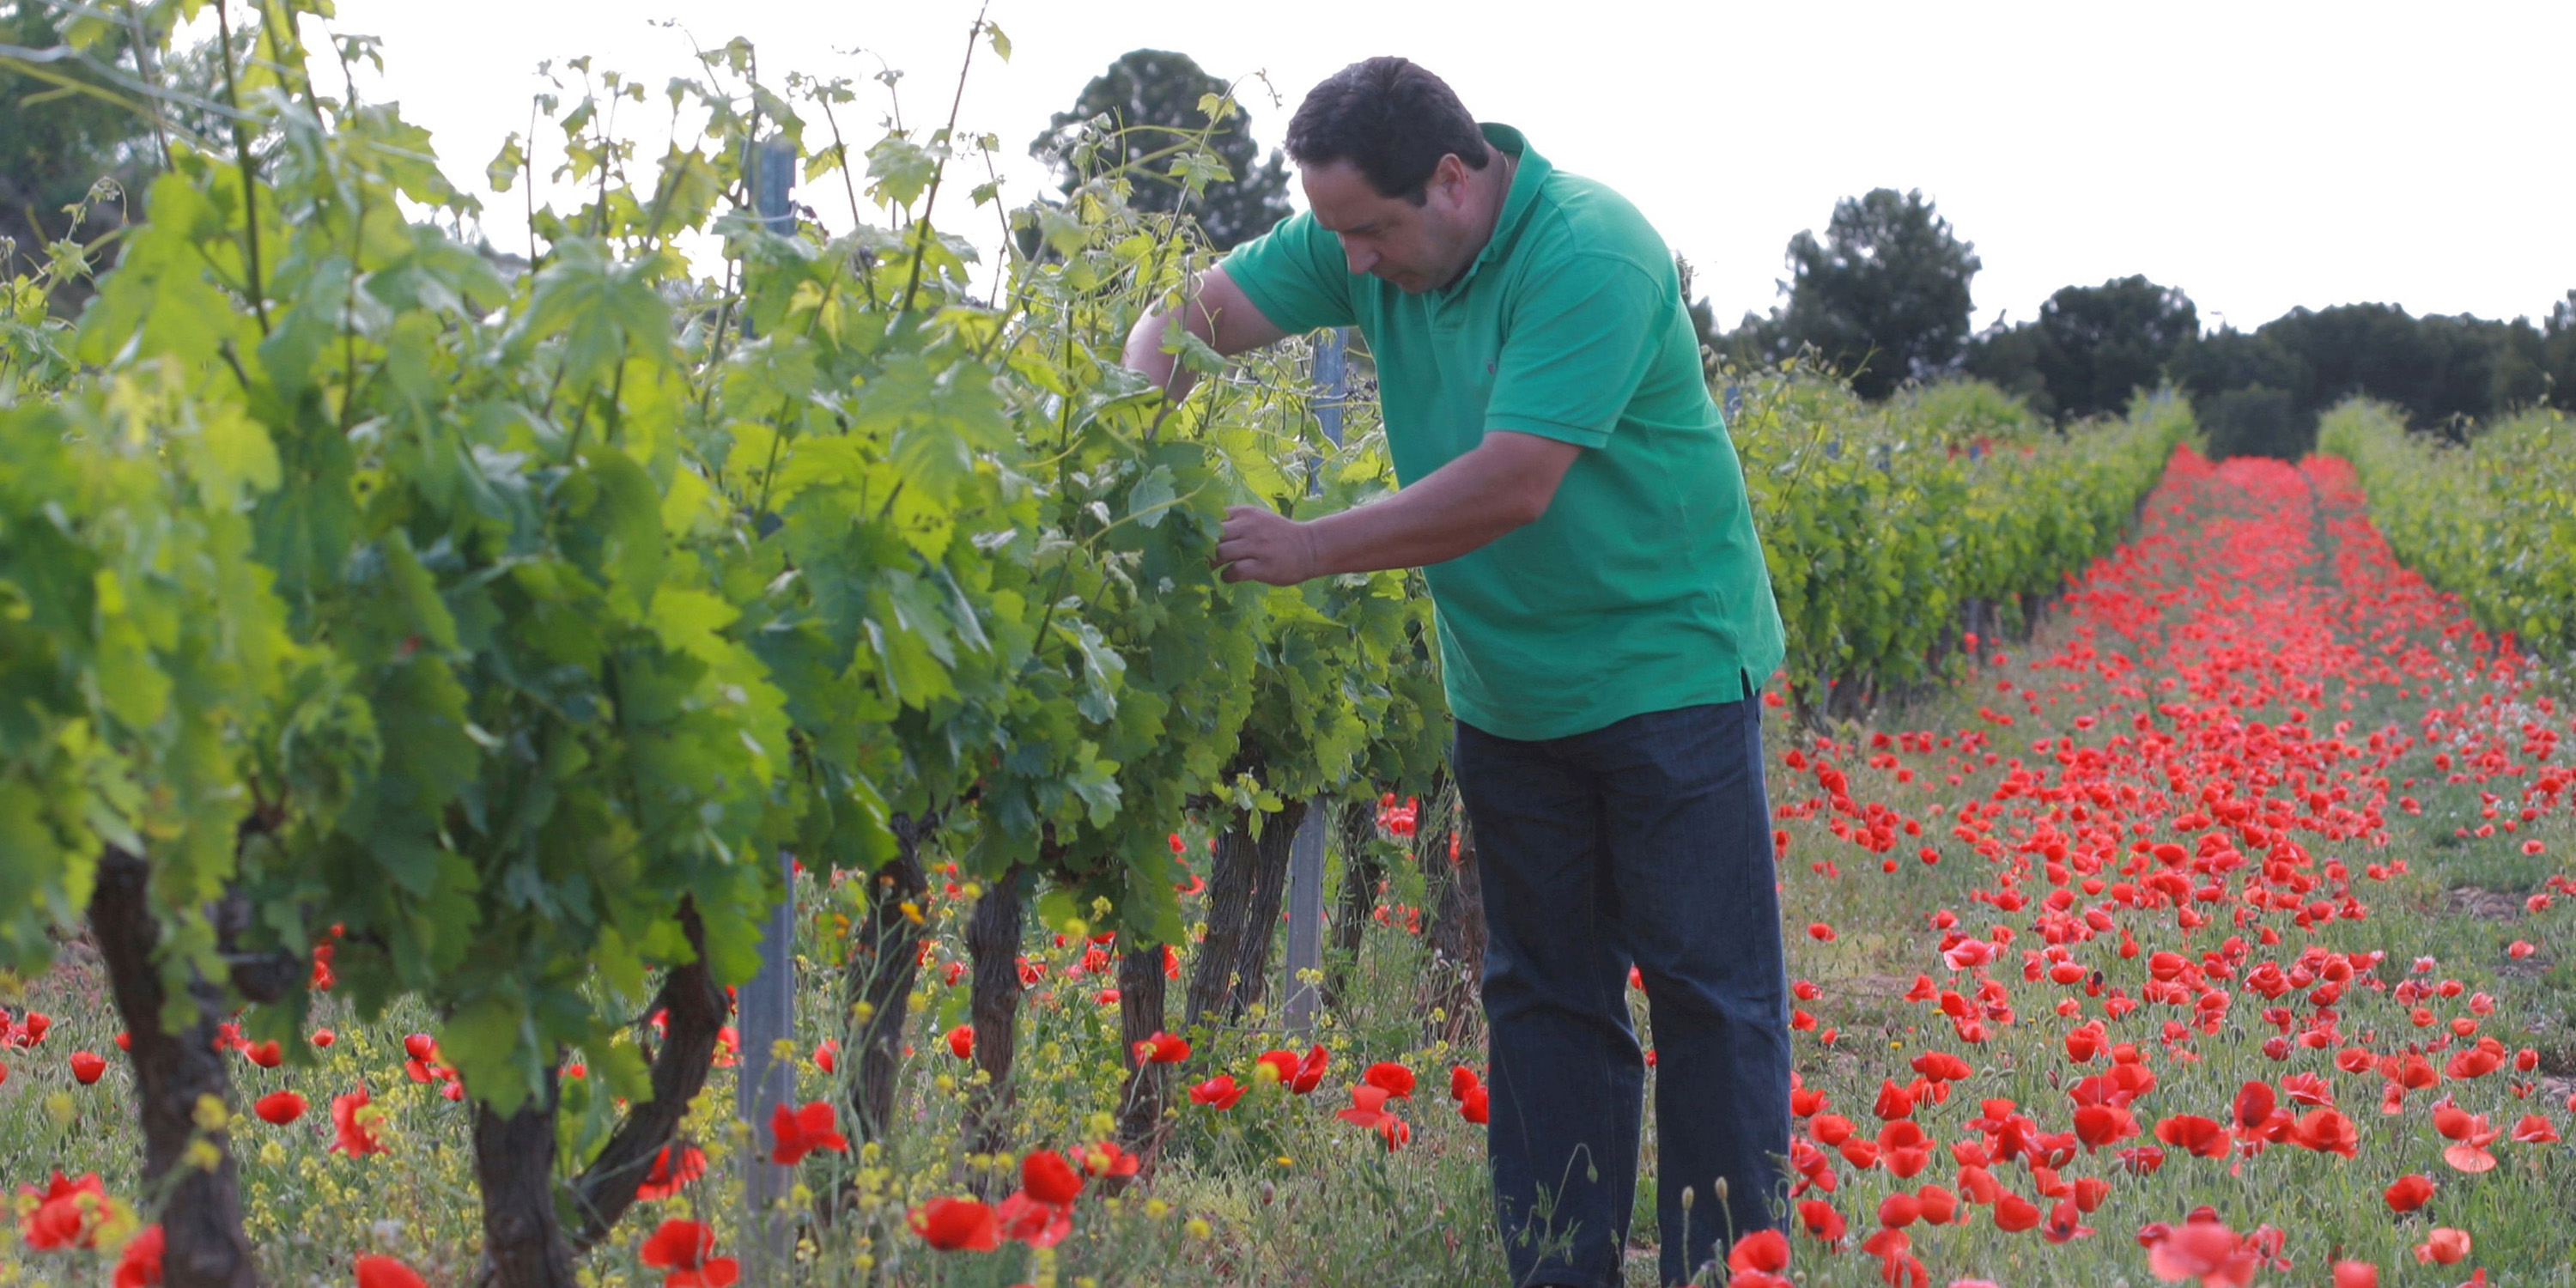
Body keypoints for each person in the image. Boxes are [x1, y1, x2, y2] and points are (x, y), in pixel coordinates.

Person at [1120, 56, 1790, 1288]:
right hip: (1510, 691)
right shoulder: (1356, 238)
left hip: (1668, 670)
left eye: (1370, 231)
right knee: (1541, 998)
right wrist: (1132, 443)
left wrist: (1309, 547)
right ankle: (1558, 1269)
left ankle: (1724, 1273)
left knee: (1709, 1001)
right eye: (1337, 235)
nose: (1353, 263)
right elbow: (1181, 322)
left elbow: (1514, 483)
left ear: (1452, 176)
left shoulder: (1589, 251)